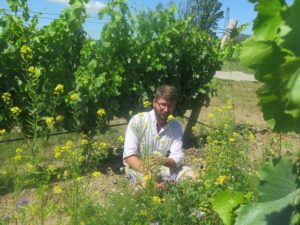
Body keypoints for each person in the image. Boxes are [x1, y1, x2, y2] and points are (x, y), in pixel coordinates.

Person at [123, 85, 194, 188]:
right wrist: (150, 175)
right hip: (138, 167)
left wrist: (163, 160)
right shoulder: (138, 120)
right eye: (163, 104)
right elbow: (129, 155)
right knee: (149, 185)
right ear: (154, 102)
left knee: (192, 176)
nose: (166, 109)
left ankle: (178, 198)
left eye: (170, 106)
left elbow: (177, 156)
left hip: (162, 167)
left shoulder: (175, 126)